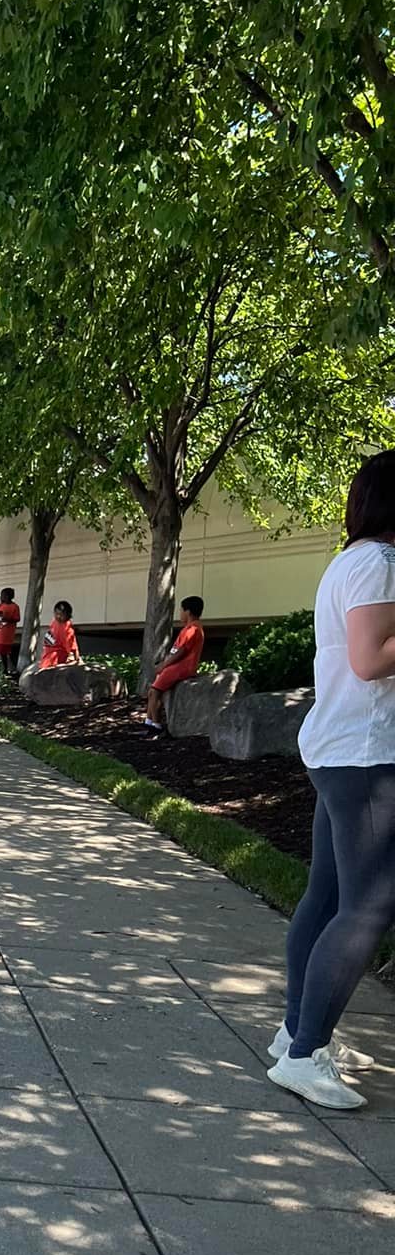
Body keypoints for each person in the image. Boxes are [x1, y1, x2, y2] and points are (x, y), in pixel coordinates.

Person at [269, 450, 395, 1112]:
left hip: (344, 748)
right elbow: (371, 660)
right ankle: (303, 1052)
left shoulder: (353, 560)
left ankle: (296, 1032)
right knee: (370, 904)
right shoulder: (379, 563)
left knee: (327, 896)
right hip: (367, 754)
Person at [142, 596, 205, 732]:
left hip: (181, 668)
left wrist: (164, 665)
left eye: (181, 610)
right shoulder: (190, 628)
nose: (180, 614)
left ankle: (155, 725)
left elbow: (180, 652)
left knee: (154, 691)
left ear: (188, 612)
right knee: (153, 691)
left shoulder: (192, 629)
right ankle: (148, 722)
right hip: (177, 666)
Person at [39, 600, 81, 668]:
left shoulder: (62, 626)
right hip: (54, 659)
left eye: (61, 615)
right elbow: (73, 649)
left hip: (48, 658)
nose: (58, 616)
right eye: (56, 614)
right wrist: (77, 660)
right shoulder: (60, 625)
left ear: (68, 615)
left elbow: (72, 647)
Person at [0, 588, 21, 675]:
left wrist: (6, 618)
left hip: (6, 634)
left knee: (3, 653)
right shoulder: (1, 605)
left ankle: (5, 670)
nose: (1, 597)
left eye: (3, 595)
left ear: (9, 596)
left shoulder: (15, 607)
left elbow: (17, 619)